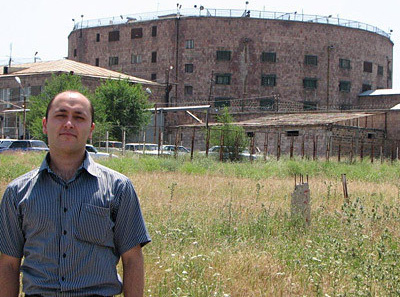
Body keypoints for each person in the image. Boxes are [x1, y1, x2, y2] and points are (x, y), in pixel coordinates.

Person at [0, 90, 151, 297]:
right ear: (45, 124)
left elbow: (132, 260)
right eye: (61, 115)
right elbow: (8, 263)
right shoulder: (17, 193)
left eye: (79, 117)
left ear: (91, 129)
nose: (69, 124)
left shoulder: (118, 188)